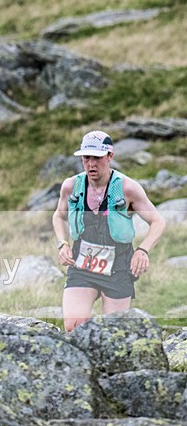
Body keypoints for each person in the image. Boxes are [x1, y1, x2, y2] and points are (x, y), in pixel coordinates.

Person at [52, 130, 165, 332]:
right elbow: (58, 216)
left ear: (110, 156)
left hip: (118, 268)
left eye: (97, 158)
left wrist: (142, 250)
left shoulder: (128, 188)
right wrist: (62, 244)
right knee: (73, 327)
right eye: (86, 158)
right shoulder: (71, 186)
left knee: (114, 334)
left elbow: (157, 221)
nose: (91, 164)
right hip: (82, 265)